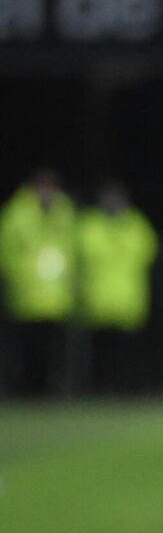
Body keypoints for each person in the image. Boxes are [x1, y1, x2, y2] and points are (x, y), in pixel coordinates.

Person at [0, 169, 77, 396]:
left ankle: (50, 389)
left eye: (51, 187)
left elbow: (71, 249)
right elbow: (7, 252)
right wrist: (16, 279)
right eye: (42, 187)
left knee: (54, 350)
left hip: (57, 297)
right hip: (26, 295)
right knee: (25, 347)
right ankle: (23, 389)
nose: (46, 192)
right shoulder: (16, 214)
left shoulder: (65, 212)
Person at [77, 180, 158, 394]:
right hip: (98, 300)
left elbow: (146, 252)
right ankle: (99, 389)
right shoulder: (90, 224)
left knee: (128, 353)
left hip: (128, 299)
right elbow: (87, 253)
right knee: (101, 351)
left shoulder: (136, 224)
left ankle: (128, 389)